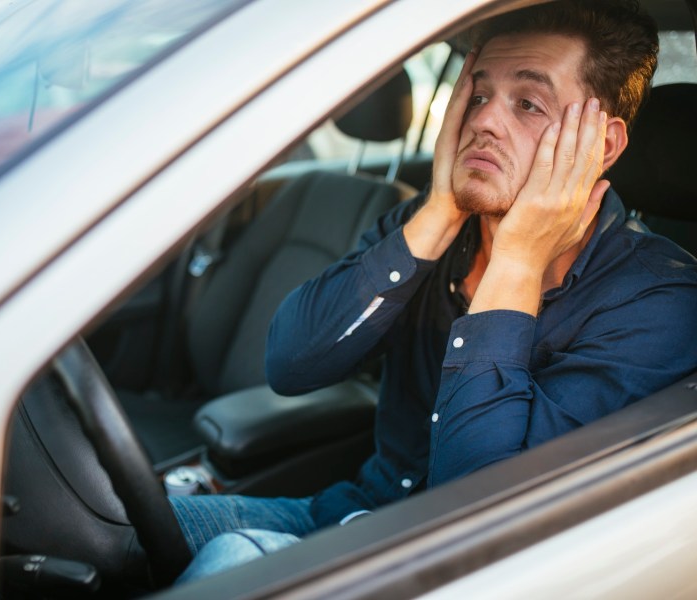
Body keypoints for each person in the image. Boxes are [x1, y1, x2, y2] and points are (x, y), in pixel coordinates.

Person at [167, 0, 697, 582]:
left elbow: (480, 514)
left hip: (438, 569)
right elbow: (290, 364)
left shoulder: (661, 303)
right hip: (340, 518)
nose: (485, 122)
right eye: (478, 95)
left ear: (603, 145)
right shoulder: (436, 222)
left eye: (527, 103)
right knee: (102, 526)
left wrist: (518, 259)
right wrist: (440, 209)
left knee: (233, 564)